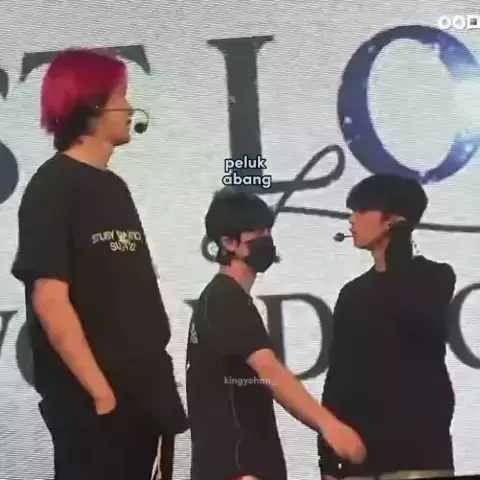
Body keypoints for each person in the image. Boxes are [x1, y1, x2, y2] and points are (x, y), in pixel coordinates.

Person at [11, 49, 187, 480]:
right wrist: (101, 394)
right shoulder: (52, 187)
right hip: (95, 409)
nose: (129, 108)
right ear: (91, 106)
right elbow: (50, 301)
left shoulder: (114, 188)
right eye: (120, 96)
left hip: (143, 399)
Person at [186, 187, 366, 480]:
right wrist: (329, 426)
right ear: (228, 242)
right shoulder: (226, 299)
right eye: (257, 234)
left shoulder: (222, 298)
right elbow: (270, 370)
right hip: (239, 469)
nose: (267, 240)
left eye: (268, 230)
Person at [319, 173, 456, 479]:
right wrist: (327, 457)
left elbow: (414, 314)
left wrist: (398, 245)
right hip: (359, 456)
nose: (352, 220)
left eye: (362, 210)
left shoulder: (434, 278)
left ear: (394, 220)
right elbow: (338, 376)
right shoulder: (352, 294)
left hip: (419, 454)